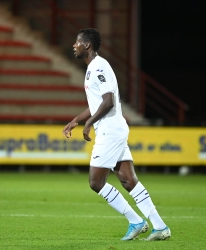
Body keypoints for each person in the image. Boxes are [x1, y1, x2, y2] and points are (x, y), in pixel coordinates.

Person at [62, 28, 171, 241]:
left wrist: (89, 125)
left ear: (87, 45)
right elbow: (97, 103)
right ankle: (160, 227)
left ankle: (136, 221)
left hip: (110, 130)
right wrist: (77, 120)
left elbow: (108, 100)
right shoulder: (92, 68)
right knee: (128, 180)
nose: (74, 45)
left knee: (96, 182)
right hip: (113, 129)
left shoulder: (99, 66)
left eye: (77, 42)